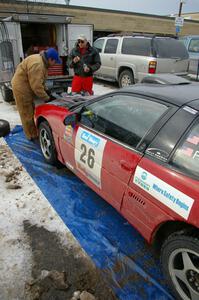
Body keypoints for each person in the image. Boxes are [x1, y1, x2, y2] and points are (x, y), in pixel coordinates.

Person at [11, 48, 61, 141]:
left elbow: (40, 80)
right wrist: (47, 98)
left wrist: (46, 90)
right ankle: (32, 136)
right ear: (50, 59)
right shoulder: (38, 65)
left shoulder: (42, 61)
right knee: (26, 112)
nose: (55, 64)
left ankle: (32, 130)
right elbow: (36, 87)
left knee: (31, 108)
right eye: (55, 62)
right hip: (21, 88)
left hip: (26, 84)